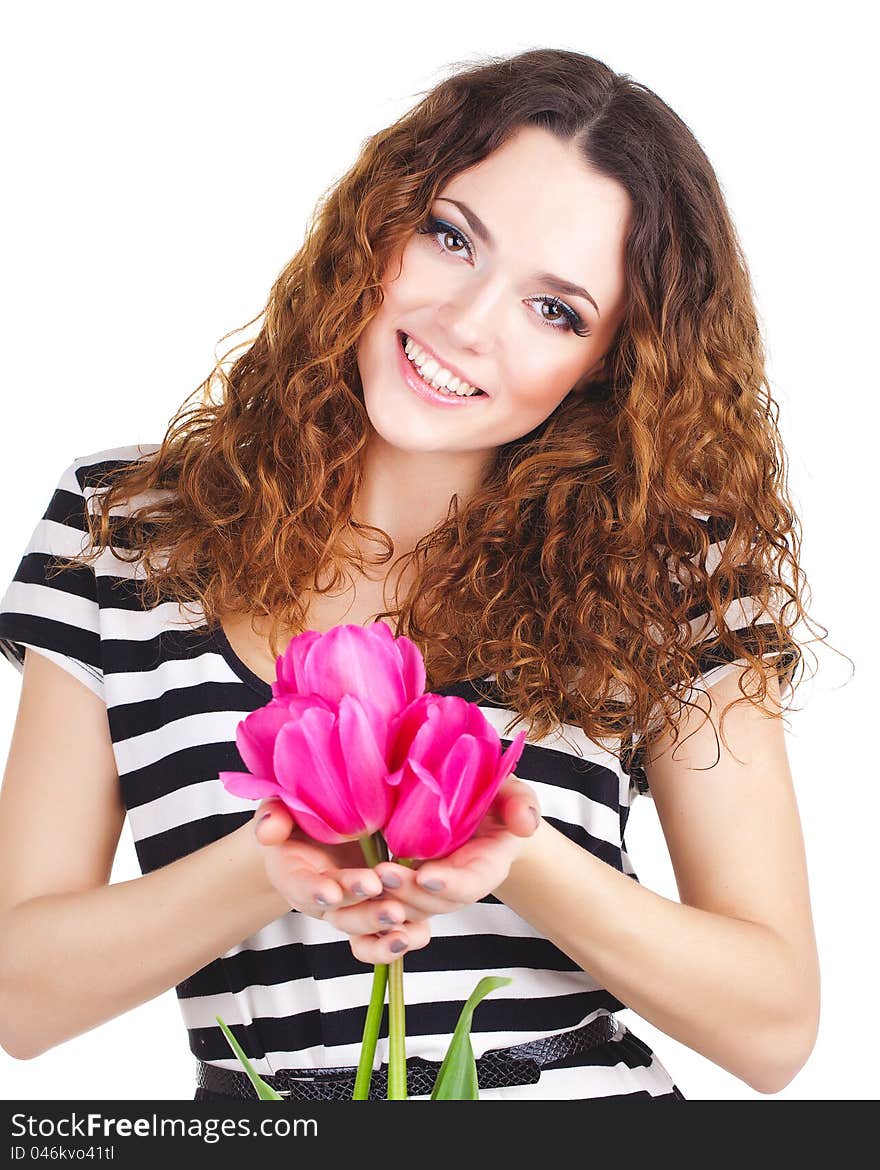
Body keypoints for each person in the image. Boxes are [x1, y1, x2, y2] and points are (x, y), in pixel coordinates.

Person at [0, 47, 824, 1101]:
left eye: (554, 309)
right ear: (378, 225)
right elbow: (21, 998)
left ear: (611, 364)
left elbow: (775, 1028)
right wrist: (272, 862)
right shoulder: (122, 530)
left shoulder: (670, 567)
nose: (465, 324)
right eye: (449, 238)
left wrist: (505, 841)